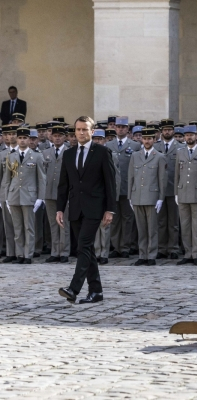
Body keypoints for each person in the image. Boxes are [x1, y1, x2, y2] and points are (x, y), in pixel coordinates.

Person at [57, 116, 117, 305]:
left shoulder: (102, 152)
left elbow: (110, 183)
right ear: (74, 132)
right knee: (88, 250)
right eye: (78, 129)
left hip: (94, 208)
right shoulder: (68, 154)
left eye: (85, 129)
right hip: (75, 208)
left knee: (83, 245)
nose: (81, 133)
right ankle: (96, 291)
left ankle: (73, 289)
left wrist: (110, 210)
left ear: (93, 131)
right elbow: (63, 185)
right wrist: (60, 209)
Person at [2, 127, 46, 264]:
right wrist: (6, 197)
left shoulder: (37, 156)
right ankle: (19, 254)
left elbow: (41, 178)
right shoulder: (11, 156)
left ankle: (28, 255)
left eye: (25, 138)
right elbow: (7, 179)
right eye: (20, 138)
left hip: (29, 196)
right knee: (17, 227)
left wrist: (40, 197)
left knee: (29, 227)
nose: (22, 140)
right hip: (14, 195)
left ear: (29, 139)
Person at [174, 125, 197, 265]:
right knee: (185, 225)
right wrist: (176, 193)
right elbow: (177, 174)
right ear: (184, 137)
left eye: (192, 135)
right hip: (183, 192)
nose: (189, 137)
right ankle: (187, 253)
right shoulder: (180, 152)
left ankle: (196, 253)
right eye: (187, 135)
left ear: (196, 136)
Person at [128, 128, 166, 266]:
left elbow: (162, 179)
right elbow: (131, 176)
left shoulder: (159, 156)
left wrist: (161, 198)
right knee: (141, 228)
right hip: (137, 196)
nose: (147, 141)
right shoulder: (135, 155)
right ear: (142, 140)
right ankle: (142, 254)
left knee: (152, 228)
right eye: (145, 138)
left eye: (150, 138)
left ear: (154, 140)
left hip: (152, 197)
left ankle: (151, 255)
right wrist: (129, 196)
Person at [105, 116, 141, 258]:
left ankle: (125, 246)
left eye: (123, 127)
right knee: (114, 219)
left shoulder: (135, 146)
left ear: (127, 129)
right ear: (115, 128)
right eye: (118, 127)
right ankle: (116, 246)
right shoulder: (108, 145)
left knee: (127, 219)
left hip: (127, 187)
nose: (120, 129)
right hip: (113, 187)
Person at [153, 118, 184, 260]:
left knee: (173, 222)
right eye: (165, 130)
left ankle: (173, 248)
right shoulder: (155, 146)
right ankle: (161, 248)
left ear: (173, 131)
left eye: (169, 129)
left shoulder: (180, 147)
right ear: (161, 131)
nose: (167, 132)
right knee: (160, 221)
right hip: (158, 190)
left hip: (174, 188)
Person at [91, 129, 121, 265]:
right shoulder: (88, 155)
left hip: (106, 193)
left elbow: (116, 177)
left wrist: (114, 196)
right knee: (95, 225)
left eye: (100, 139)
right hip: (93, 195)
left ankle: (104, 253)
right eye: (95, 139)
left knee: (105, 225)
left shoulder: (110, 154)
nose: (97, 141)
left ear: (105, 140)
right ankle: (96, 251)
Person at [42, 126, 70, 263]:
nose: (57, 138)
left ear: (65, 137)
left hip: (65, 193)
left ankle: (64, 251)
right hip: (49, 192)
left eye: (60, 135)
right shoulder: (45, 153)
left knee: (64, 223)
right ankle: (55, 251)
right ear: (51, 137)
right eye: (55, 135)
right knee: (53, 223)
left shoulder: (69, 152)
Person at [0, 125, 19, 262]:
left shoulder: (26, 152)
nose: (10, 137)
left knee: (21, 225)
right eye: (7, 134)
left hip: (21, 193)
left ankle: (21, 252)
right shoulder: (2, 154)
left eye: (13, 134)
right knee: (8, 224)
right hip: (6, 193)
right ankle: (10, 252)